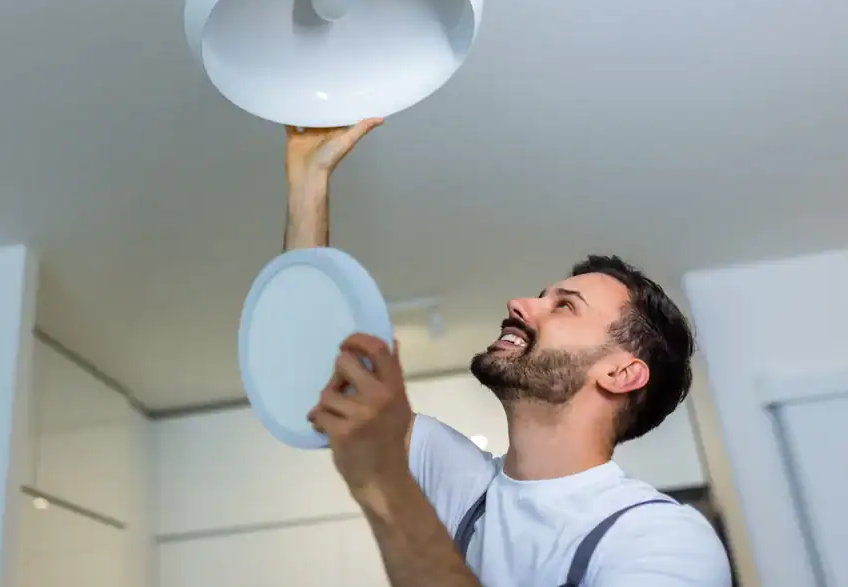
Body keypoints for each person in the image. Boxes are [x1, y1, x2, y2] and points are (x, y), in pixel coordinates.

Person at [284, 119, 732, 586]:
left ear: (620, 372)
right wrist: (308, 185)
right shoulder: (464, 484)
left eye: (564, 307)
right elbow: (315, 377)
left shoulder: (661, 540)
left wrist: (384, 486)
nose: (520, 304)